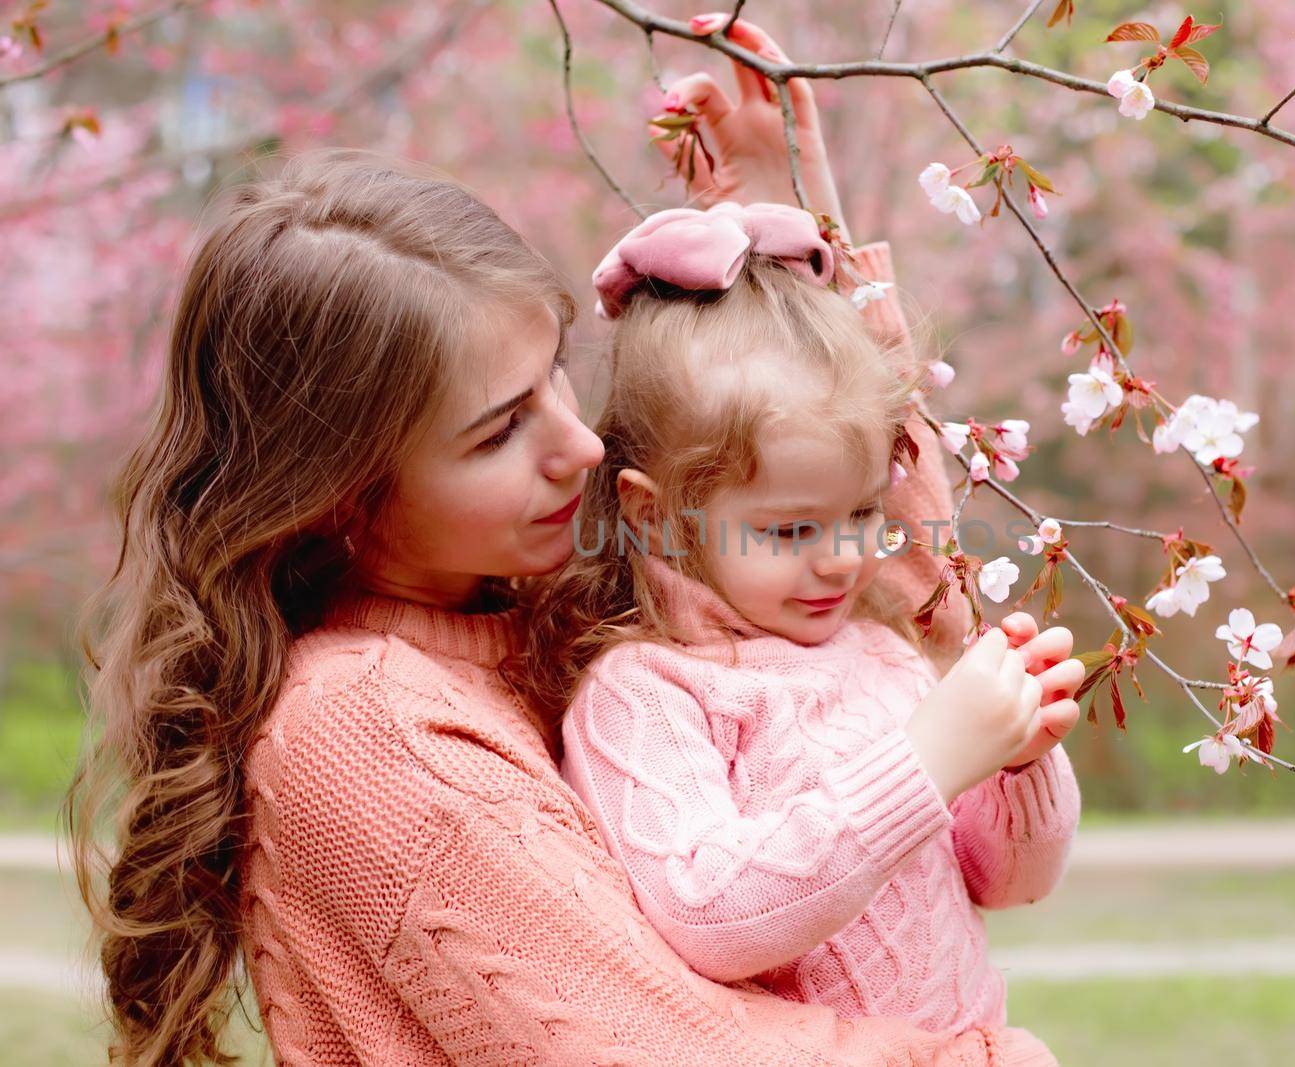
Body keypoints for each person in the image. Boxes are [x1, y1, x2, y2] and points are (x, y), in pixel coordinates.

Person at [67, 15, 1072, 1065]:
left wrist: (798, 269)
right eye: (499, 428)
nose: (579, 440)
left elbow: (826, 523)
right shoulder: (366, 727)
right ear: (340, 496)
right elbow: (654, 1043)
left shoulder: (533, 614)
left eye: (552, 372)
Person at [532, 198, 1083, 1034]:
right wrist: (929, 759)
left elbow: (1010, 882)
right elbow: (711, 915)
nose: (841, 557)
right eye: (790, 528)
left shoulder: (882, 657)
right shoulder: (647, 694)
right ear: (654, 515)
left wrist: (1018, 761)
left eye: (862, 512)